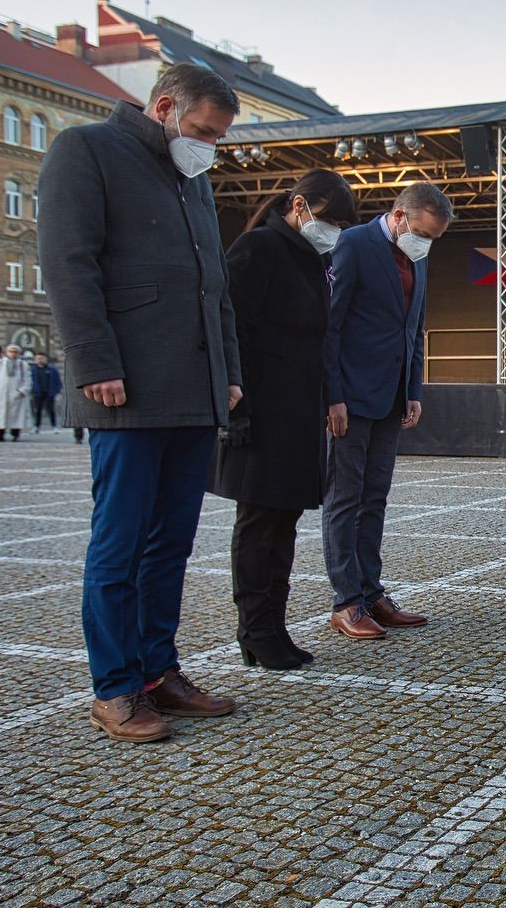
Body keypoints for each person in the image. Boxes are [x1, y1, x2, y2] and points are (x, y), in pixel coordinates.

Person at [39, 62, 243, 742]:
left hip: (192, 389)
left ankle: (159, 670)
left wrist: (229, 372)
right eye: (204, 131)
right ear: (164, 107)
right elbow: (69, 263)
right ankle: (116, 687)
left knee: (171, 545)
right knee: (120, 543)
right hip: (124, 386)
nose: (209, 146)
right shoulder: (87, 150)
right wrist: (94, 362)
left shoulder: (192, 179)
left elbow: (213, 286)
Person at [209, 169, 358, 670]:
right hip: (260, 412)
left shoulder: (312, 258)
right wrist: (238, 410)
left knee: (284, 525)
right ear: (299, 206)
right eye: (330, 219)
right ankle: (255, 630)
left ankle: (274, 625)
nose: (333, 230)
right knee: (258, 524)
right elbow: (234, 331)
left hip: (297, 414)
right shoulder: (258, 249)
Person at [322, 182, 451, 640]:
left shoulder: (417, 257)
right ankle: (346, 602)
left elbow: (412, 327)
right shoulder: (353, 244)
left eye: (433, 238)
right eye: (421, 233)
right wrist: (331, 395)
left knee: (374, 496)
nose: (426, 243)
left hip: (392, 396)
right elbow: (331, 324)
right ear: (398, 216)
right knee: (344, 498)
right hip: (351, 397)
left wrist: (412, 388)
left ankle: (371, 591)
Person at [0, 344, 31, 441]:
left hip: (16, 393)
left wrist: (22, 391)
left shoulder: (22, 364)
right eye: (11, 351)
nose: (13, 354)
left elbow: (27, 379)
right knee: (0, 415)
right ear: (7, 352)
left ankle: (15, 434)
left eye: (15, 352)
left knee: (16, 415)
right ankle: (0, 434)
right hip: (0, 392)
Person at [29, 352, 63, 433]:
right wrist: (32, 390)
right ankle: (36, 426)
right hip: (37, 393)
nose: (40, 360)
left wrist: (56, 391)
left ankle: (54, 426)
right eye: (38, 358)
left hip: (49, 393)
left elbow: (57, 381)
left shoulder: (52, 369)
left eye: (41, 358)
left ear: (45, 359)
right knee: (37, 411)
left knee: (51, 410)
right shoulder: (33, 370)